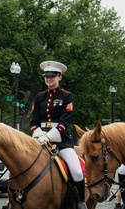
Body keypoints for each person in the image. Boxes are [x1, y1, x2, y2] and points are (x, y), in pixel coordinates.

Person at [30, 61, 87, 209]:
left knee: (77, 171)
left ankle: (80, 202)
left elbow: (64, 122)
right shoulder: (39, 97)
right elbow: (34, 121)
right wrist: (39, 134)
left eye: (52, 76)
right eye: (46, 76)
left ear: (59, 77)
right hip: (39, 140)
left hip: (61, 141)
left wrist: (49, 137)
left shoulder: (67, 96)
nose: (49, 79)